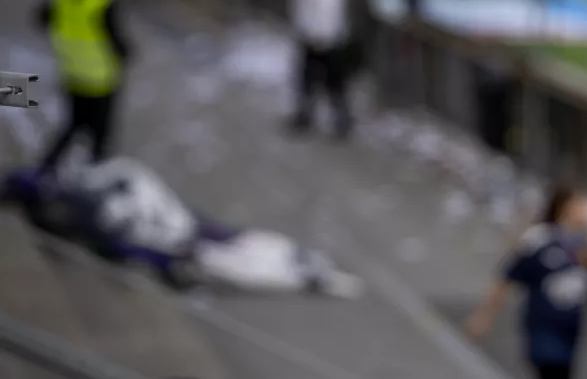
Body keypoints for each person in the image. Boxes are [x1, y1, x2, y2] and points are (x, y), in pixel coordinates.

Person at [0, 158, 364, 299]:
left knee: (229, 242)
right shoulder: (88, 213)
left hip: (175, 225)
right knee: (229, 255)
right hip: (174, 236)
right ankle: (308, 273)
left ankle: (305, 265)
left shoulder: (94, 189)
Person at [465, 185, 587, 379]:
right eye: (582, 205)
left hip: (570, 332)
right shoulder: (540, 239)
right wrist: (483, 317)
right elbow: (507, 277)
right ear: (566, 206)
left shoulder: (586, 246)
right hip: (543, 329)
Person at [35, 0, 132, 174]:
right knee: (100, 137)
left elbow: (41, 18)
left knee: (72, 126)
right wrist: (127, 53)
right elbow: (117, 41)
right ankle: (95, 180)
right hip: (100, 80)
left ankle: (44, 170)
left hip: (70, 73)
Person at [274, 0, 352, 137]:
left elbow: (325, 2)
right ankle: (333, 118)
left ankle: (320, 118)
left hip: (317, 34)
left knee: (316, 79)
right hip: (326, 33)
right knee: (327, 80)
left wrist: (322, 32)